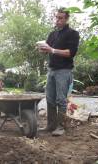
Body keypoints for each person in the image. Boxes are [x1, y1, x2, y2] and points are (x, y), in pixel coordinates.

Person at [38, 8, 80, 136]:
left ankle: (60, 127)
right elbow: (48, 49)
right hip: (52, 70)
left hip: (64, 70)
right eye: (56, 17)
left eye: (61, 18)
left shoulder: (73, 33)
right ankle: (50, 126)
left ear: (66, 19)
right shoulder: (53, 34)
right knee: (50, 98)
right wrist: (42, 48)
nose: (58, 20)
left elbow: (70, 53)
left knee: (61, 99)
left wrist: (52, 50)